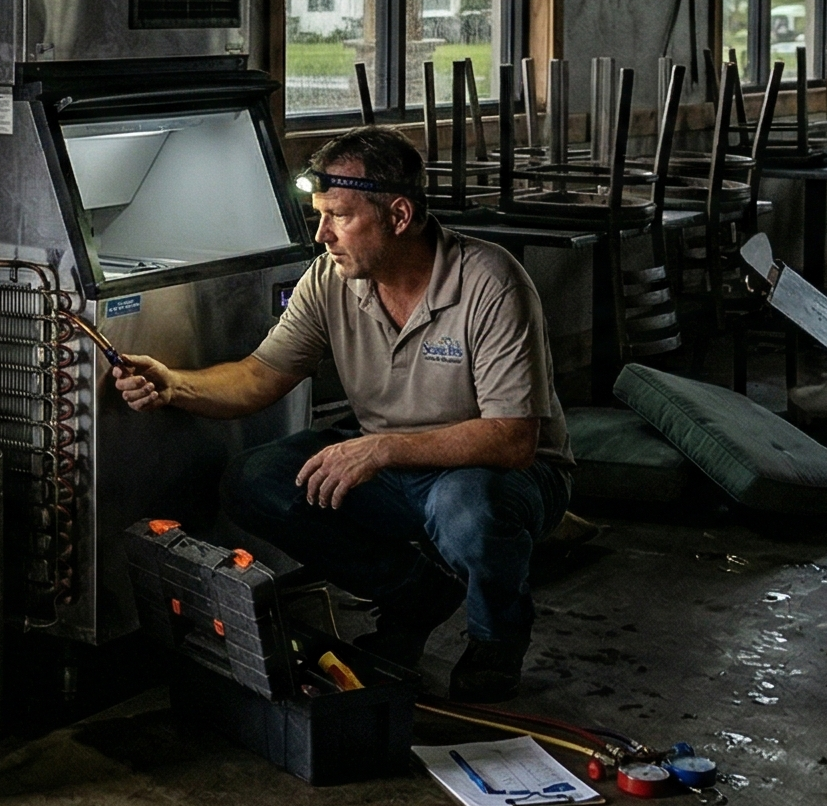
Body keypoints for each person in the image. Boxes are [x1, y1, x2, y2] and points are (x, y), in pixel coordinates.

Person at [111, 127, 572, 701]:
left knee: (467, 510)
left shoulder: (489, 282)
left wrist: (380, 448)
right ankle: (412, 597)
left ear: (398, 215)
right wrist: (174, 383)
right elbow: (260, 375)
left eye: (340, 216)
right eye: (319, 214)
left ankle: (495, 641)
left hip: (503, 472)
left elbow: (512, 440)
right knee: (257, 481)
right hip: (392, 461)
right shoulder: (332, 277)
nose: (323, 233)